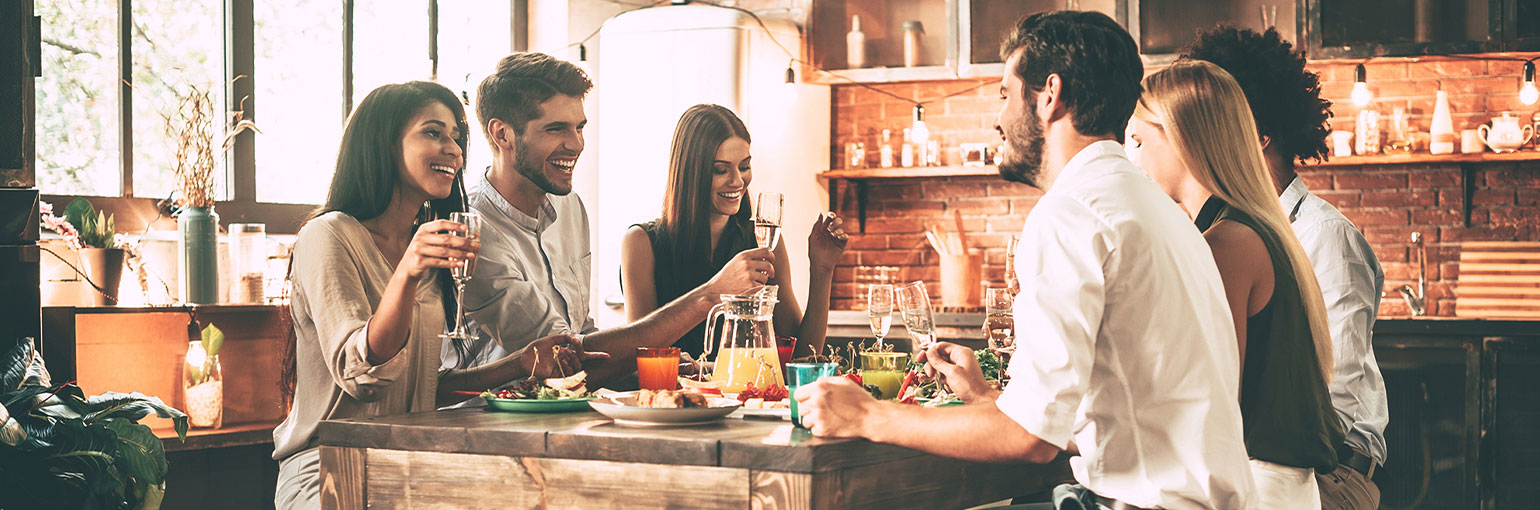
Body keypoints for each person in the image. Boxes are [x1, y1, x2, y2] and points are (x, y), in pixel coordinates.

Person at [793, 11, 1254, 509]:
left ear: (1049, 94)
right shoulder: (1157, 209)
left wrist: (867, 415)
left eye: (1004, 94)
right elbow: (1135, 412)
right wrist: (994, 403)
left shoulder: (1071, 213)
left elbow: (1030, 440)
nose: (999, 117)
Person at [273, 81, 597, 509]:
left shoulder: (425, 245)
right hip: (329, 467)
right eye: (433, 133)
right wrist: (407, 272)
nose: (454, 149)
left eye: (456, 137)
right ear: (384, 144)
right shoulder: (328, 235)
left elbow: (424, 387)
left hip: (407, 462)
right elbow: (364, 378)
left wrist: (516, 365)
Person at [454, 53, 773, 387]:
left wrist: (651, 371)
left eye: (579, 128)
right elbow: (566, 361)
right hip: (490, 425)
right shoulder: (474, 229)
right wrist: (710, 296)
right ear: (503, 134)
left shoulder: (569, 207)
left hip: (563, 415)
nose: (576, 144)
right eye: (556, 129)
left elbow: (582, 335)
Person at [1183, 26, 1390, 509]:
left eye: (1211, 123)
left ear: (1256, 137)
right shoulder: (1225, 229)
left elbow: (1331, 401)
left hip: (1332, 476)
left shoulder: (1324, 236)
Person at [1127, 60, 1344, 509]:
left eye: (1139, 140)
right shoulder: (1250, 228)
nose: (1133, 158)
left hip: (1253, 488)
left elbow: (1209, 408)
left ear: (1182, 138)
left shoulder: (1226, 243)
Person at [621, 104, 847, 360]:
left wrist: (822, 269)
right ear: (689, 172)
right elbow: (636, 355)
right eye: (721, 169)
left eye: (744, 166)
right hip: (673, 398)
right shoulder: (642, 243)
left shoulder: (761, 241)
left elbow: (801, 355)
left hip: (748, 398)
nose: (738, 181)